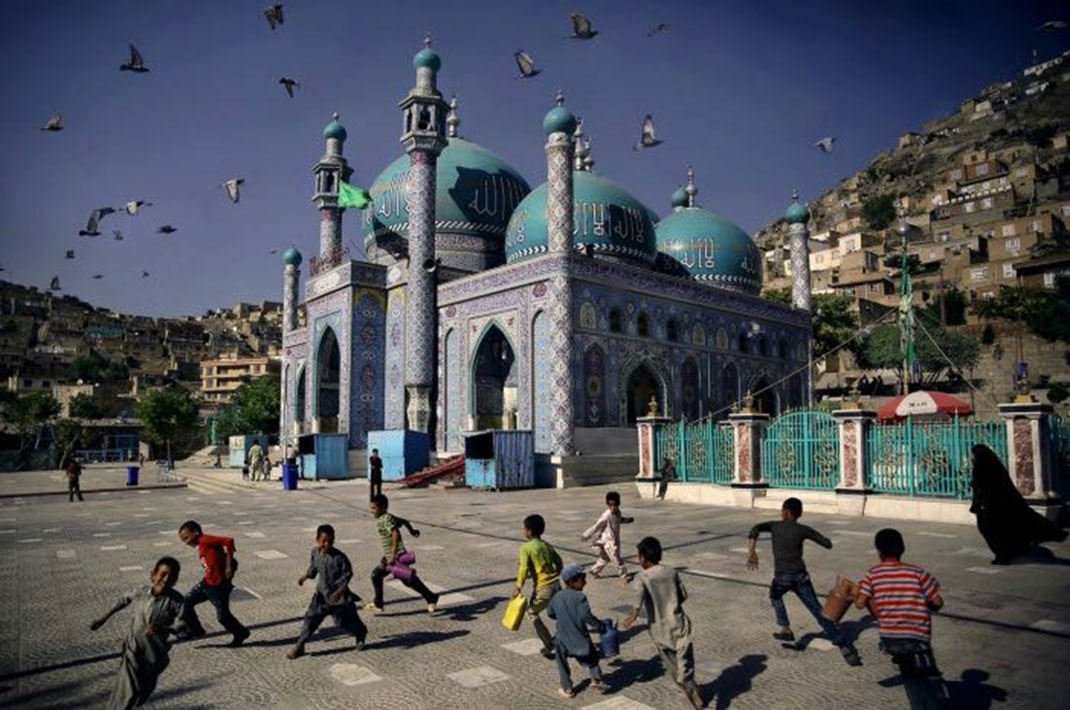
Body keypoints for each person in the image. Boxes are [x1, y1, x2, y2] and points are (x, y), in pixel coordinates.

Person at [746, 497, 862, 666]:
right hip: (801, 576)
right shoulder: (803, 529)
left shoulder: (775, 526)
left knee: (775, 595)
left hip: (783, 577)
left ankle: (785, 628)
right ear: (799, 514)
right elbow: (827, 543)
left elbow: (755, 528)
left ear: (785, 511)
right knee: (817, 610)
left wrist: (752, 551)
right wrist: (824, 540)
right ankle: (843, 645)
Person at [855, 529, 949, 709]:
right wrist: (926, 605)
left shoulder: (873, 574)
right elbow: (937, 602)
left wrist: (865, 594)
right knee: (929, 678)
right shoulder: (918, 573)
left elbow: (860, 603)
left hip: (891, 639)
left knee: (911, 677)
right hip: (917, 638)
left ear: (878, 551)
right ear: (902, 548)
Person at [90, 556, 187, 710]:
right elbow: (123, 600)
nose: (166, 579)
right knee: (126, 690)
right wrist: (103, 618)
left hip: (155, 654)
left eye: (172, 576)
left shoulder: (177, 601)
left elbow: (183, 623)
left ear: (175, 580)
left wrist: (165, 629)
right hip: (133, 649)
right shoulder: (141, 592)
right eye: (162, 574)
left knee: (143, 689)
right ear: (153, 575)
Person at [622, 536, 702, 710]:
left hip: (659, 629)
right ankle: (689, 683)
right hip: (679, 623)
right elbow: (684, 595)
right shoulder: (671, 572)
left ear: (643, 557)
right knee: (685, 660)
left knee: (672, 664)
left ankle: (685, 684)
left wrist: (634, 614)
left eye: (638, 556)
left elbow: (638, 597)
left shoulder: (642, 577)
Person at [970, 444, 1067, 564]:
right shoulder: (994, 466)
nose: (971, 457)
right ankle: (1008, 552)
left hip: (991, 507)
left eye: (973, 454)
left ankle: (1003, 555)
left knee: (994, 531)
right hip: (997, 506)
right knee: (1002, 530)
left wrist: (976, 506)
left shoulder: (981, 469)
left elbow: (980, 489)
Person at [288, 524, 367, 658]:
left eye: (330, 541)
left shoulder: (339, 558)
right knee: (310, 620)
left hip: (339, 599)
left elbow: (347, 575)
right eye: (324, 541)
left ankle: (360, 633)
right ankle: (300, 646)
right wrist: (305, 577)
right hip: (321, 596)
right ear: (317, 539)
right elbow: (313, 568)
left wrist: (339, 592)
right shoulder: (315, 552)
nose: (327, 544)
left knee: (345, 622)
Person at [176, 521, 249, 646]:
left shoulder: (205, 540)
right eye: (183, 540)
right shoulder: (202, 543)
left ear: (196, 532)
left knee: (223, 617)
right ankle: (196, 629)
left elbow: (229, 540)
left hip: (218, 586)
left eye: (187, 538)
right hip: (207, 583)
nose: (186, 543)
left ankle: (240, 632)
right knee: (186, 601)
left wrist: (229, 565)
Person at [365, 494, 439, 614]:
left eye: (374, 508)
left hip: (395, 556)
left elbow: (395, 533)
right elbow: (403, 521)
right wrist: (412, 530)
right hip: (390, 556)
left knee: (407, 579)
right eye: (371, 507)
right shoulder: (388, 517)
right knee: (377, 575)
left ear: (383, 508)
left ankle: (431, 597)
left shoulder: (385, 519)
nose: (371, 511)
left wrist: (393, 555)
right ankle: (378, 603)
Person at [547, 563, 608, 699]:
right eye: (582, 579)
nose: (585, 583)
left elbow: (550, 613)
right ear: (571, 581)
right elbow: (587, 617)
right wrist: (600, 626)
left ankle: (567, 688)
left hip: (561, 639)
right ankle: (597, 679)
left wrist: (562, 615)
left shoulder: (557, 596)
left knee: (561, 662)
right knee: (592, 658)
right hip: (580, 639)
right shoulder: (580, 598)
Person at [514, 513, 563, 660]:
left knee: (531, 612)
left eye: (524, 528)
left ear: (529, 531)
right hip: (557, 586)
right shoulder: (547, 545)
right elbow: (559, 562)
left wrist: (518, 587)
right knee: (560, 614)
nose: (523, 531)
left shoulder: (526, 548)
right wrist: (555, 574)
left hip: (543, 588)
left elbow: (523, 568)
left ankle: (549, 644)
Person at [581, 491, 634, 581]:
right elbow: (597, 526)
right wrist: (586, 534)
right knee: (616, 558)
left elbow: (618, 520)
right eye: (610, 505)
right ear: (608, 505)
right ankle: (624, 575)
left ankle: (594, 570)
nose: (613, 508)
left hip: (614, 540)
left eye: (615, 505)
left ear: (618, 504)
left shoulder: (618, 513)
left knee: (604, 558)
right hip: (608, 541)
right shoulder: (606, 515)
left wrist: (626, 520)